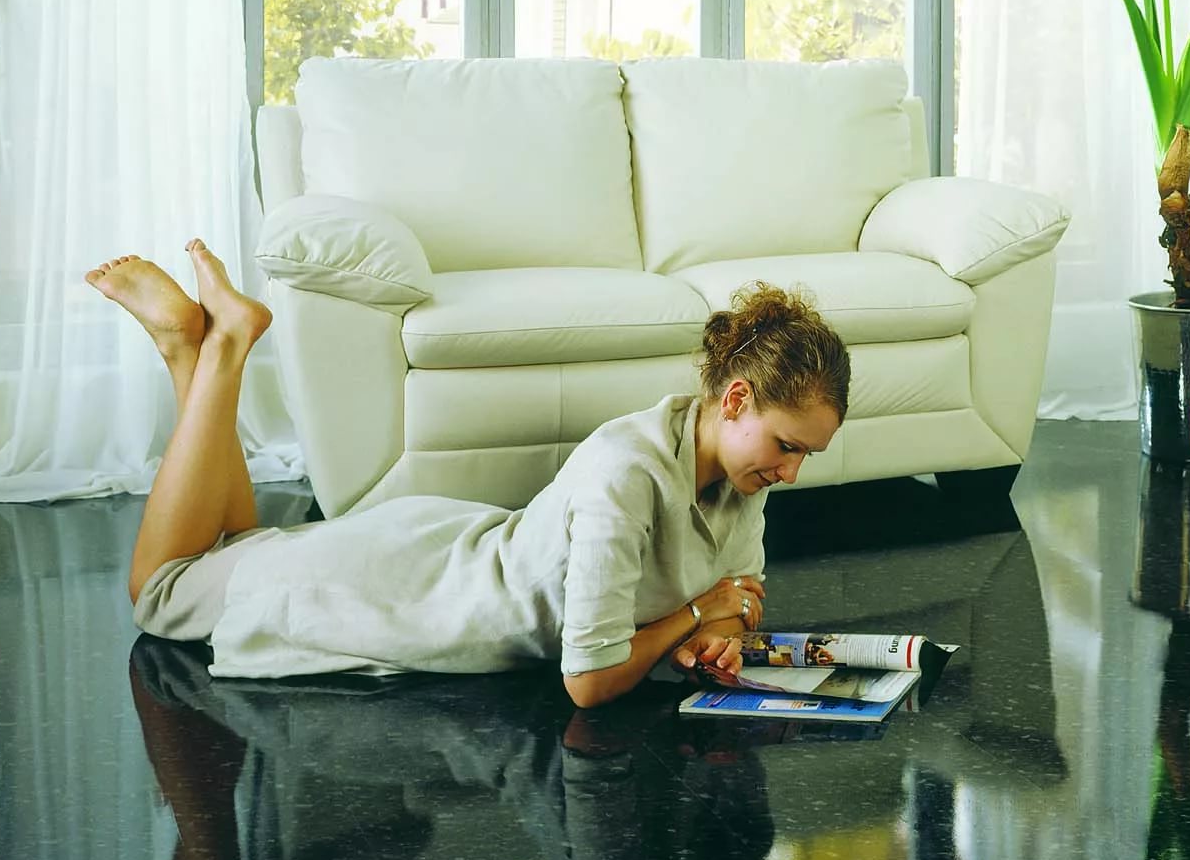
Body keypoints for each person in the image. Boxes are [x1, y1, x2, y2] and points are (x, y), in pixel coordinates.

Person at [85, 243, 848, 704]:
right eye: (787, 445)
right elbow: (590, 681)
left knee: (239, 547)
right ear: (736, 399)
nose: (791, 472)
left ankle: (191, 348)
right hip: (409, 591)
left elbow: (737, 603)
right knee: (163, 591)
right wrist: (694, 617)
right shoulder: (628, 473)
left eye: (805, 454)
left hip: (450, 550)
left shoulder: (741, 474)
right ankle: (219, 347)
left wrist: (716, 632)